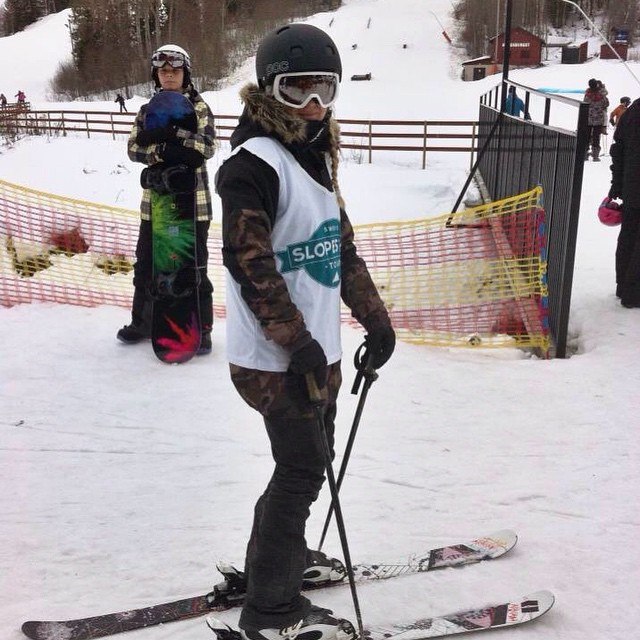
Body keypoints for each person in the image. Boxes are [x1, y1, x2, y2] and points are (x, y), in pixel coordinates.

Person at [215, 23, 395, 640]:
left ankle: (275, 561)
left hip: (316, 350)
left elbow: (338, 246)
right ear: (269, 91)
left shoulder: (313, 154)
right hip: (275, 359)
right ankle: (270, 610)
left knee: (305, 466)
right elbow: (250, 263)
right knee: (300, 470)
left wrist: (375, 318)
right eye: (297, 90)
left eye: (325, 89)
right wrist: (296, 341)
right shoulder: (251, 165)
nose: (314, 105)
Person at [118, 44, 216, 354]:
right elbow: (134, 149)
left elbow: (206, 148)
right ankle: (143, 321)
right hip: (157, 205)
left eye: (174, 70)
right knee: (146, 265)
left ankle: (202, 329)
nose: (169, 75)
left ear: (185, 73)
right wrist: (164, 151)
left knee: (194, 267)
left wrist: (172, 133)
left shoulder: (199, 108)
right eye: (163, 71)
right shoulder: (147, 110)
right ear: (156, 75)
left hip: (193, 205)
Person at [608, 97, 640, 308]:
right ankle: (633, 293)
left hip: (631, 187)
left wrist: (617, 184)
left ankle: (623, 286)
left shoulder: (632, 112)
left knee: (628, 235)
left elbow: (617, 150)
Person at [583, 78, 609, 161]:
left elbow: (584, 104)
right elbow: (606, 104)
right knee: (596, 137)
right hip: (598, 119)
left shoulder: (587, 94)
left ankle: (585, 154)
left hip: (588, 118)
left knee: (586, 136)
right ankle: (595, 156)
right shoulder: (601, 94)